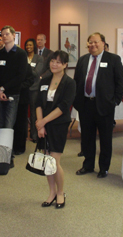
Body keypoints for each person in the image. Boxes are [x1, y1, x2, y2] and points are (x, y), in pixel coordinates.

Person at [73, 32, 123, 178]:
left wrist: (115, 101)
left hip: (104, 105)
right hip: (85, 105)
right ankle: (88, 165)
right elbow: (77, 81)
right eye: (90, 42)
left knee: (105, 138)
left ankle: (104, 168)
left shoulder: (113, 59)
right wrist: (77, 101)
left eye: (96, 42)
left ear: (103, 43)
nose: (93, 45)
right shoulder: (83, 60)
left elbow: (120, 82)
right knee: (87, 138)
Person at [36, 50, 75, 209]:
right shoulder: (44, 80)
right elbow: (38, 103)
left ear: (65, 65)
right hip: (43, 125)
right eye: (52, 61)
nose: (54, 64)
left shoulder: (69, 83)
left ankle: (60, 192)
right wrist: (40, 124)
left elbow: (63, 107)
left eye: (58, 62)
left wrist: (43, 121)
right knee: (46, 161)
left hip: (58, 124)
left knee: (54, 161)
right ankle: (51, 192)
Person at [25, 38, 46, 142]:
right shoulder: (23, 57)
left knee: (34, 112)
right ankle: (24, 135)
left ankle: (34, 135)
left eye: (30, 45)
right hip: (24, 88)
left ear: (34, 46)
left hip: (34, 88)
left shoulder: (39, 58)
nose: (28, 47)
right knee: (23, 113)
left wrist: (26, 68)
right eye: (27, 45)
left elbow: (36, 73)